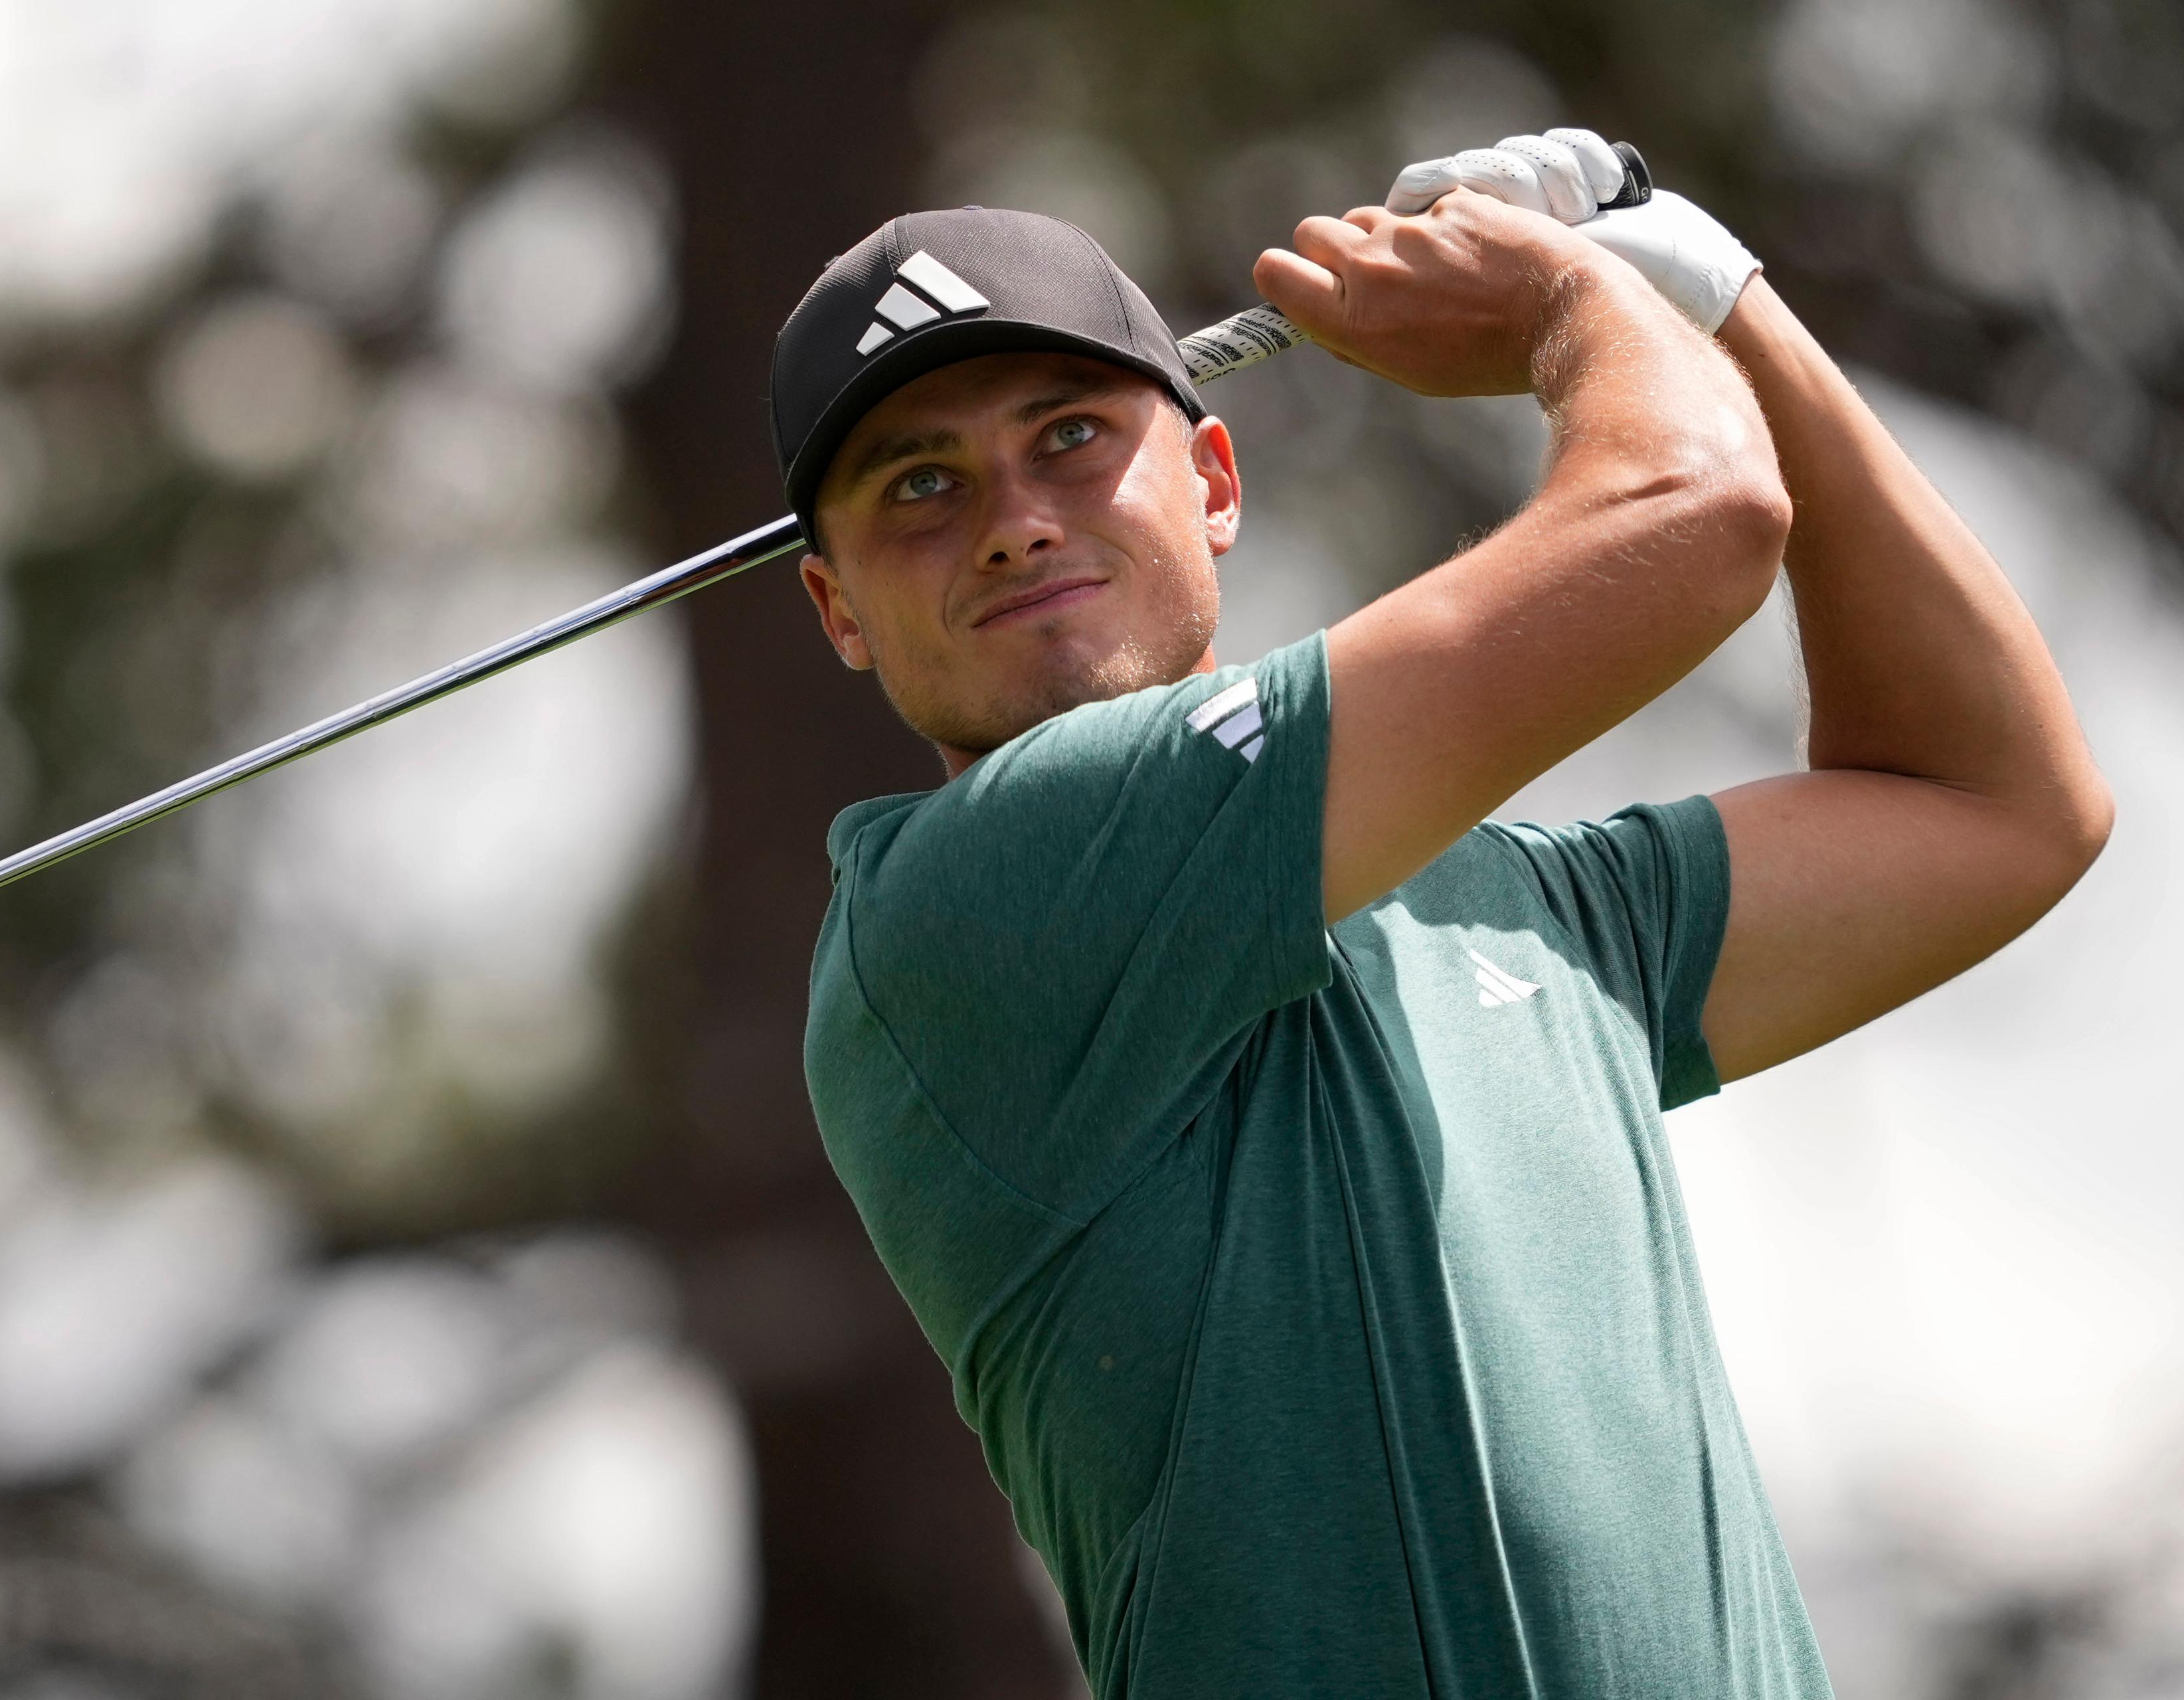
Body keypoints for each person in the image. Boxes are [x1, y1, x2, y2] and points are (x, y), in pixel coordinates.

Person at [769, 128, 2111, 1698]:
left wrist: (1722, 301)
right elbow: (1697, 510)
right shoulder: (961, 908)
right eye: (920, 484)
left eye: (1068, 435)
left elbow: (1999, 802)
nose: (1011, 517)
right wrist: (1573, 298)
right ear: (838, 606)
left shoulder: (1528, 907)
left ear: (1213, 479)